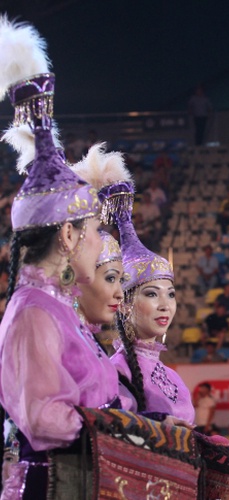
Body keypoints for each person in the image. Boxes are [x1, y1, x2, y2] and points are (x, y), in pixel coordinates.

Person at [0, 19, 120, 498]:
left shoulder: (57, 309)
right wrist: (120, 429)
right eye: (94, 231)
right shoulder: (34, 312)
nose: (100, 243)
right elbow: (43, 417)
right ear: (68, 235)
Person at [111, 199, 195, 426]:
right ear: (124, 304)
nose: (165, 305)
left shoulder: (173, 376)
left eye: (171, 294)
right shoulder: (116, 369)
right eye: (151, 294)